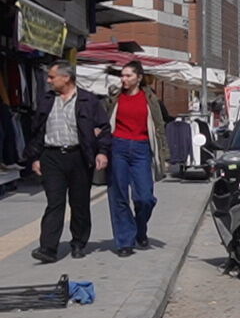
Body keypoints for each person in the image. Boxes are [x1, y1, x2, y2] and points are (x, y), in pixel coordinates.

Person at [24, 61, 111, 263]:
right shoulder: (46, 100)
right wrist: (35, 158)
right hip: (51, 156)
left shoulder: (88, 101)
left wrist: (102, 152)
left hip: (79, 156)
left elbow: (104, 129)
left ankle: (79, 242)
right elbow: (37, 131)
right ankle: (48, 248)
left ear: (66, 78)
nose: (48, 80)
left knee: (79, 203)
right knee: (55, 202)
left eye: (52, 77)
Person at [104, 61, 169, 257]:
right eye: (122, 76)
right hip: (118, 147)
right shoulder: (114, 98)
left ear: (138, 78)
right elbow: (103, 119)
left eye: (128, 76)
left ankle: (140, 227)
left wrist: (164, 155)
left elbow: (159, 127)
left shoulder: (149, 99)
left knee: (145, 198)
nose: (124, 79)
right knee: (119, 196)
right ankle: (125, 241)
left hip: (142, 148)